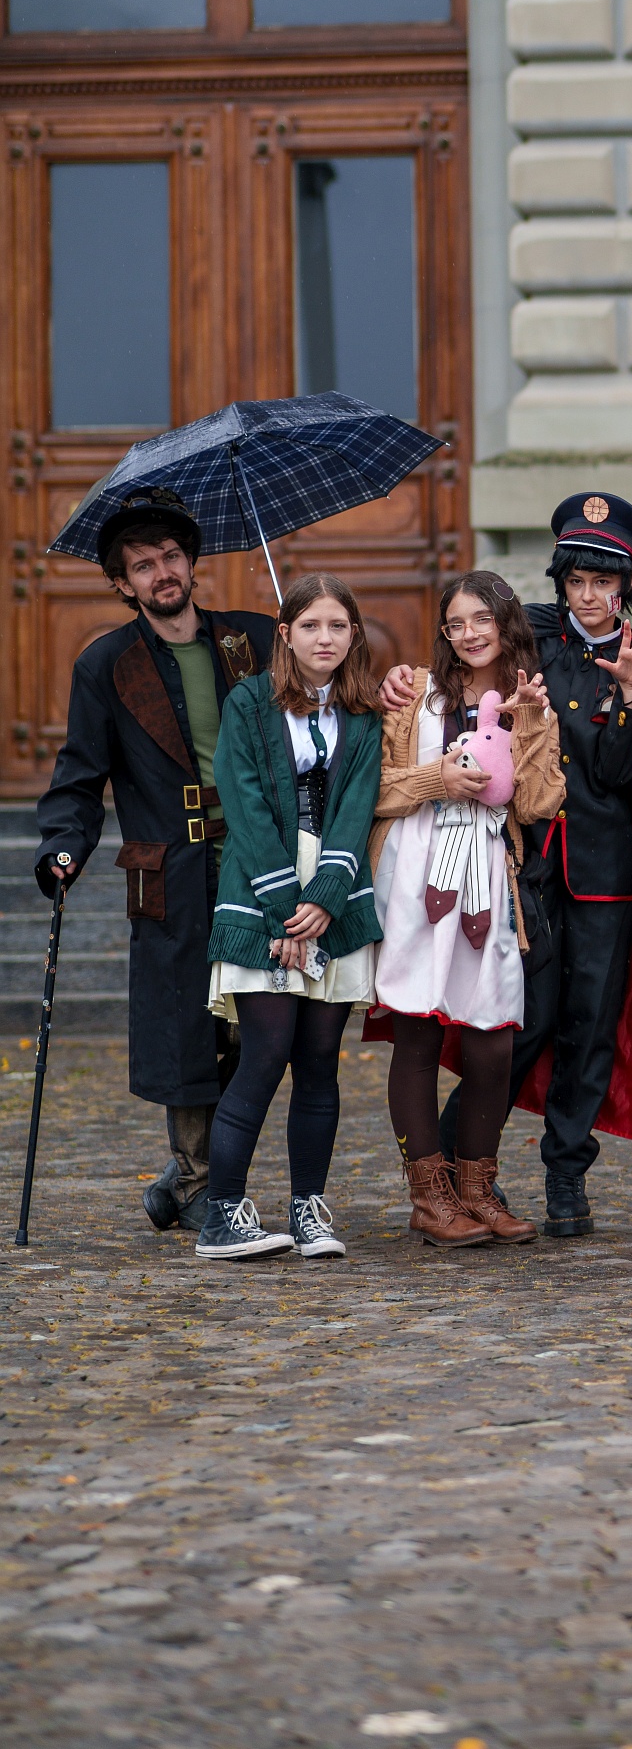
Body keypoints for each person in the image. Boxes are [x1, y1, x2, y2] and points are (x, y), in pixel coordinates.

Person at [34, 489, 276, 1235]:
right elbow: (79, 774)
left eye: (171, 557)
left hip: (255, 859)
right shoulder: (106, 665)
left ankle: (190, 1176)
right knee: (186, 1023)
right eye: (143, 566)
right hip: (168, 868)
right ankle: (202, 1178)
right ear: (122, 583)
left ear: (192, 561)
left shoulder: (257, 640)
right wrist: (61, 844)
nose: (162, 573)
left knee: (256, 1024)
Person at [439, 494, 632, 1239]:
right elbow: (463, 652)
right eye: (578, 581)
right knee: (517, 1020)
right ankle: (456, 1163)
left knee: (589, 1026)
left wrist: (628, 693)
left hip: (606, 874)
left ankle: (566, 1171)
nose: (591, 596)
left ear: (626, 587)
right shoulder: (528, 638)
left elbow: (610, 774)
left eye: (606, 583)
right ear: (561, 582)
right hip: (527, 867)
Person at [368, 574, 564, 1249]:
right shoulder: (412, 694)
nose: (469, 633)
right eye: (455, 623)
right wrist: (437, 780)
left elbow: (536, 806)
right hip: (415, 874)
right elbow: (374, 788)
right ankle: (429, 1199)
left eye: (481, 619)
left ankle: (477, 1192)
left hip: (486, 877)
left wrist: (532, 722)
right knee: (417, 1033)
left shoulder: (529, 699)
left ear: (506, 624)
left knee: (492, 1043)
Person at [198, 574, 385, 1259]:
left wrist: (325, 900)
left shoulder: (362, 715)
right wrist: (284, 913)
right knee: (265, 1055)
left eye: (338, 626)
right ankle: (221, 1216)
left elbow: (357, 805)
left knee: (318, 1061)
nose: (325, 638)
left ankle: (308, 1210)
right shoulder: (248, 702)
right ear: (285, 634)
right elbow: (242, 802)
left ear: (354, 635)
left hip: (334, 893)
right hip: (261, 885)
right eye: (310, 626)